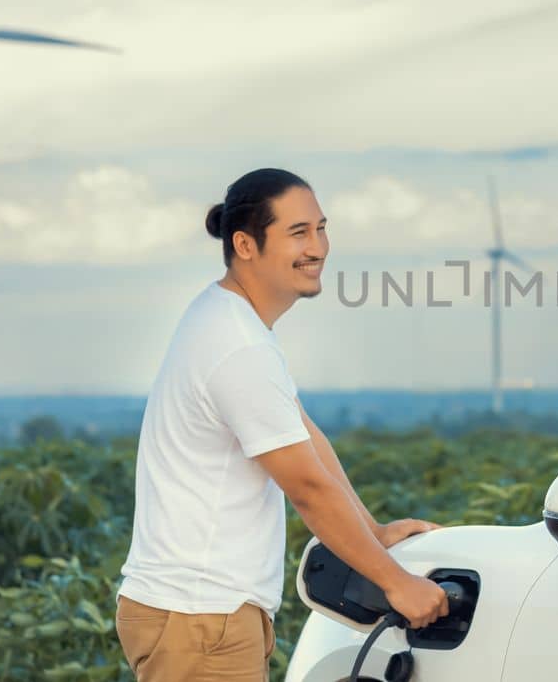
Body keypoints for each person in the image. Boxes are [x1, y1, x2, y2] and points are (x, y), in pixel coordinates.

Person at [115, 169, 448, 681]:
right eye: (298, 233)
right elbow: (307, 488)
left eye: (321, 228)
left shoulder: (229, 321)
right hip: (201, 619)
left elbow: (305, 437)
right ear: (246, 244)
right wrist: (395, 582)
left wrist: (374, 532)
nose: (317, 247)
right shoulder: (238, 345)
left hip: (202, 615)